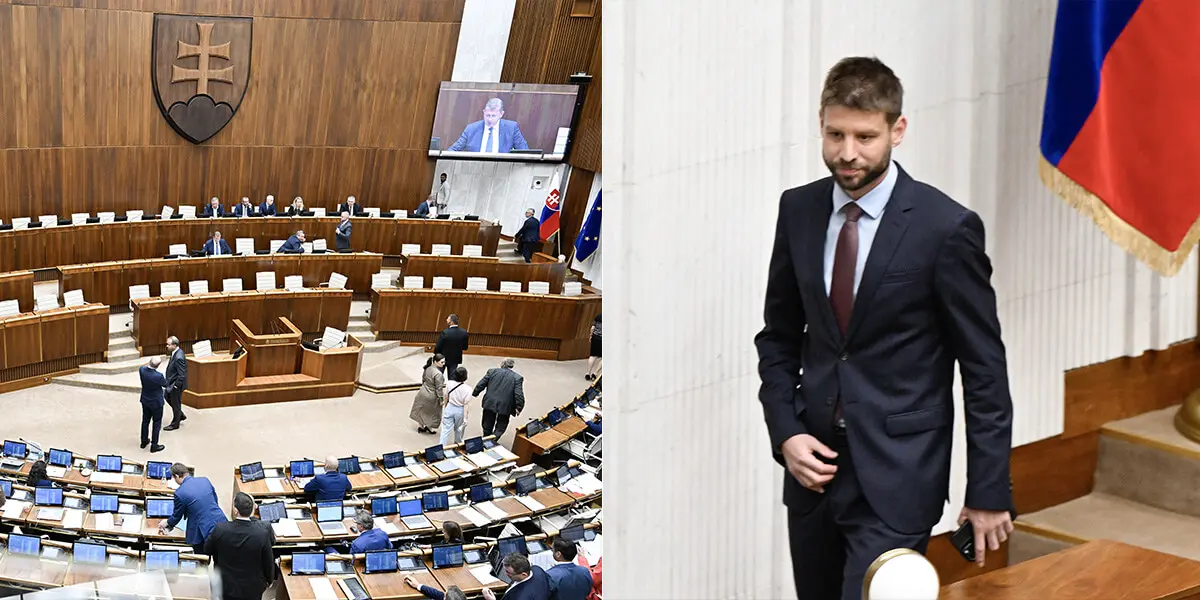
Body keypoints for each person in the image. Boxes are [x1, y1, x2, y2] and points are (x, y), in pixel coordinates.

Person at [754, 56, 1013, 599]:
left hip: (900, 478)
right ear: (821, 124)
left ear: (898, 130)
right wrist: (786, 431)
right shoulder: (798, 209)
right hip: (813, 474)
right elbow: (778, 337)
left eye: (865, 137)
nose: (848, 153)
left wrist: (988, 490)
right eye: (835, 135)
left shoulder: (946, 228)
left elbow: (984, 368)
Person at [205, 492, 276, 600]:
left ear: (235, 510)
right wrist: (269, 580)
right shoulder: (262, 533)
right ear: (253, 509)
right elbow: (268, 561)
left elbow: (207, 549)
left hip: (226, 585)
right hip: (253, 588)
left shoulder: (220, 529)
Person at [160, 463, 227, 554]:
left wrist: (167, 522)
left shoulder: (179, 493)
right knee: (221, 553)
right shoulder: (205, 480)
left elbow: (177, 516)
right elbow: (215, 499)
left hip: (201, 532)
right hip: (220, 521)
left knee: (201, 557)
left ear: (176, 476)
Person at [447, 98, 530, 154]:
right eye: (487, 115)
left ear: (501, 114)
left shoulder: (511, 128)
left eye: (493, 116)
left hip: (502, 169)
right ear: (484, 112)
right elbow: (453, 150)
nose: (490, 119)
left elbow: (524, 152)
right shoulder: (471, 129)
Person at [472, 358, 525, 441]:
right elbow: (519, 394)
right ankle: (493, 440)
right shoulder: (517, 377)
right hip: (505, 405)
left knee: (487, 421)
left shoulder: (492, 371)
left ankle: (486, 437)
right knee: (501, 425)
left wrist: (475, 392)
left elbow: (481, 383)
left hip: (490, 401)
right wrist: (519, 407)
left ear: (502, 364)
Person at [481, 553, 553, 600]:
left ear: (523, 574)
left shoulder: (521, 597)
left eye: (508, 572)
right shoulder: (537, 569)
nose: (505, 574)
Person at [411, 355, 445, 435]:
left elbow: (423, 380)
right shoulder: (438, 374)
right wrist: (441, 399)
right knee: (432, 412)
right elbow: (439, 388)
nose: (443, 364)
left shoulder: (427, 368)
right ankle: (429, 427)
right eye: (442, 362)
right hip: (432, 395)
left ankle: (421, 426)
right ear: (435, 362)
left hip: (422, 392)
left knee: (421, 410)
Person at [139, 356, 167, 452]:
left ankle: (143, 441)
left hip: (145, 400)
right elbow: (165, 384)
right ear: (158, 366)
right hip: (156, 402)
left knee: (145, 421)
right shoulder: (158, 376)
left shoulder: (141, 370)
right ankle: (154, 445)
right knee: (157, 423)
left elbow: (144, 367)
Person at [440, 367, 471, 446]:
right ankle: (458, 444)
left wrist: (445, 408)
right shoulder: (468, 389)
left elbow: (446, 397)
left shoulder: (449, 383)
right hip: (460, 410)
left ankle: (442, 446)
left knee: (445, 429)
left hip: (450, 407)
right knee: (458, 429)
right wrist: (465, 418)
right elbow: (466, 404)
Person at [163, 336, 188, 431]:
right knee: (167, 396)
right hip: (171, 383)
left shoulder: (179, 357)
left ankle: (175, 424)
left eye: (168, 344)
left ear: (174, 345)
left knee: (176, 404)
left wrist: (176, 386)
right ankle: (180, 415)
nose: (167, 346)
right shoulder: (175, 353)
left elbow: (182, 374)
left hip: (175, 385)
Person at [586, 314, 602, 381]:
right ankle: (595, 374)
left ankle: (588, 373)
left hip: (595, 337)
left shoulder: (599, 316)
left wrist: (591, 336)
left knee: (593, 356)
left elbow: (592, 328)